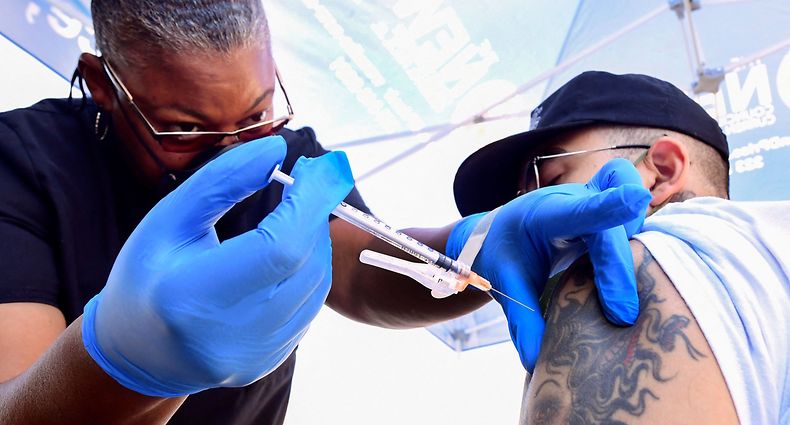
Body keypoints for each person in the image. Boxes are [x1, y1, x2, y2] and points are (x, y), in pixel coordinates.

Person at [0, 2, 650, 424]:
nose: (236, 152)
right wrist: (126, 364)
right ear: (100, 85)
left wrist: (481, 240)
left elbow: (367, 269)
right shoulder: (19, 165)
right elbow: (17, 402)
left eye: (258, 111)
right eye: (185, 127)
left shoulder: (283, 157)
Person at [452, 71, 789, 424]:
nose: (537, 205)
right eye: (521, 199)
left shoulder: (650, 258)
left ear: (661, 171)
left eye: (550, 179)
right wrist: (470, 237)